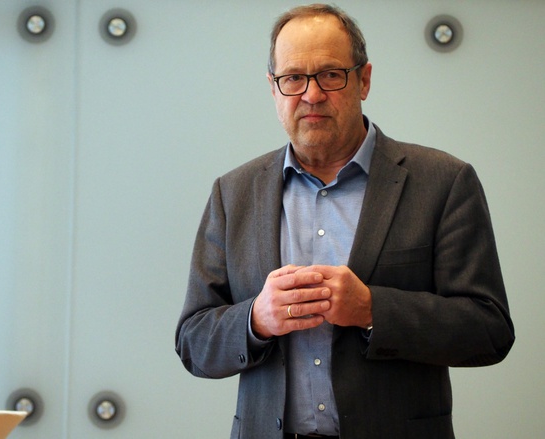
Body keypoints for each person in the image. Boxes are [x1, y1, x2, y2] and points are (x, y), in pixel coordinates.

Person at [175, 4, 515, 439]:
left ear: (364, 80)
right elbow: (193, 341)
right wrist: (256, 319)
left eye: (331, 74)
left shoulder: (444, 182)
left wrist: (373, 309)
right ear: (273, 88)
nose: (312, 94)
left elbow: (489, 331)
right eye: (293, 78)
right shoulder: (233, 193)